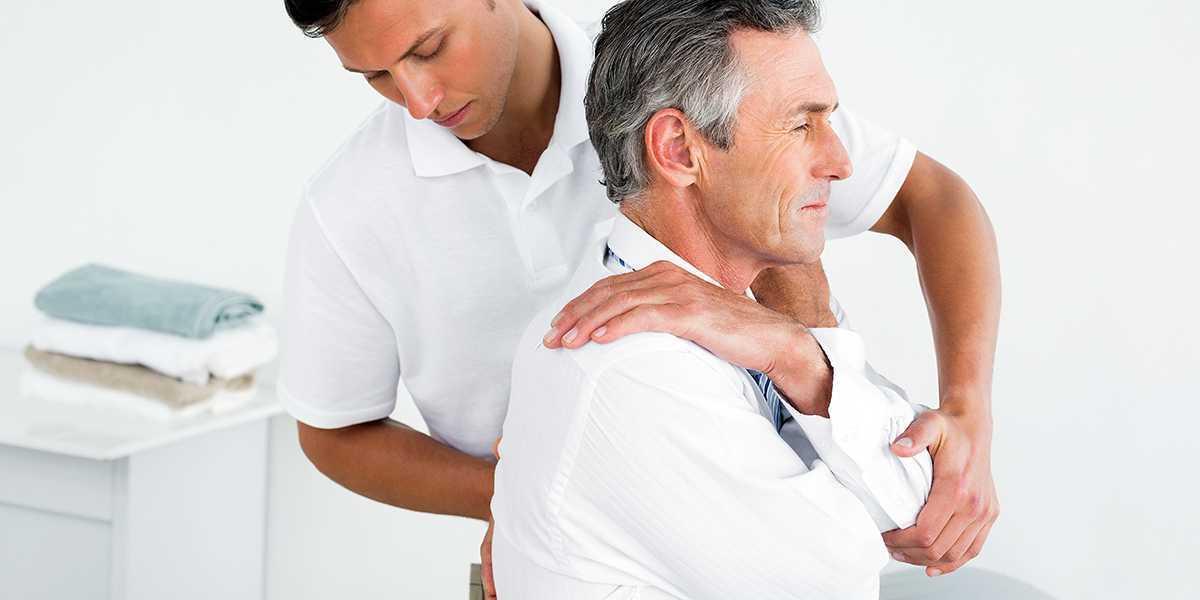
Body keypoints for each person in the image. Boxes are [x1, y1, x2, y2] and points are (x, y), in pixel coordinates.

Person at [278, 0, 1002, 595]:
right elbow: (335, 430)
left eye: (431, 47)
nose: (418, 99)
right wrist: (530, 487)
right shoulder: (350, 208)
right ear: (676, 149)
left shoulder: (681, 62)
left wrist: (963, 407)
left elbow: (929, 198)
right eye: (372, 75)